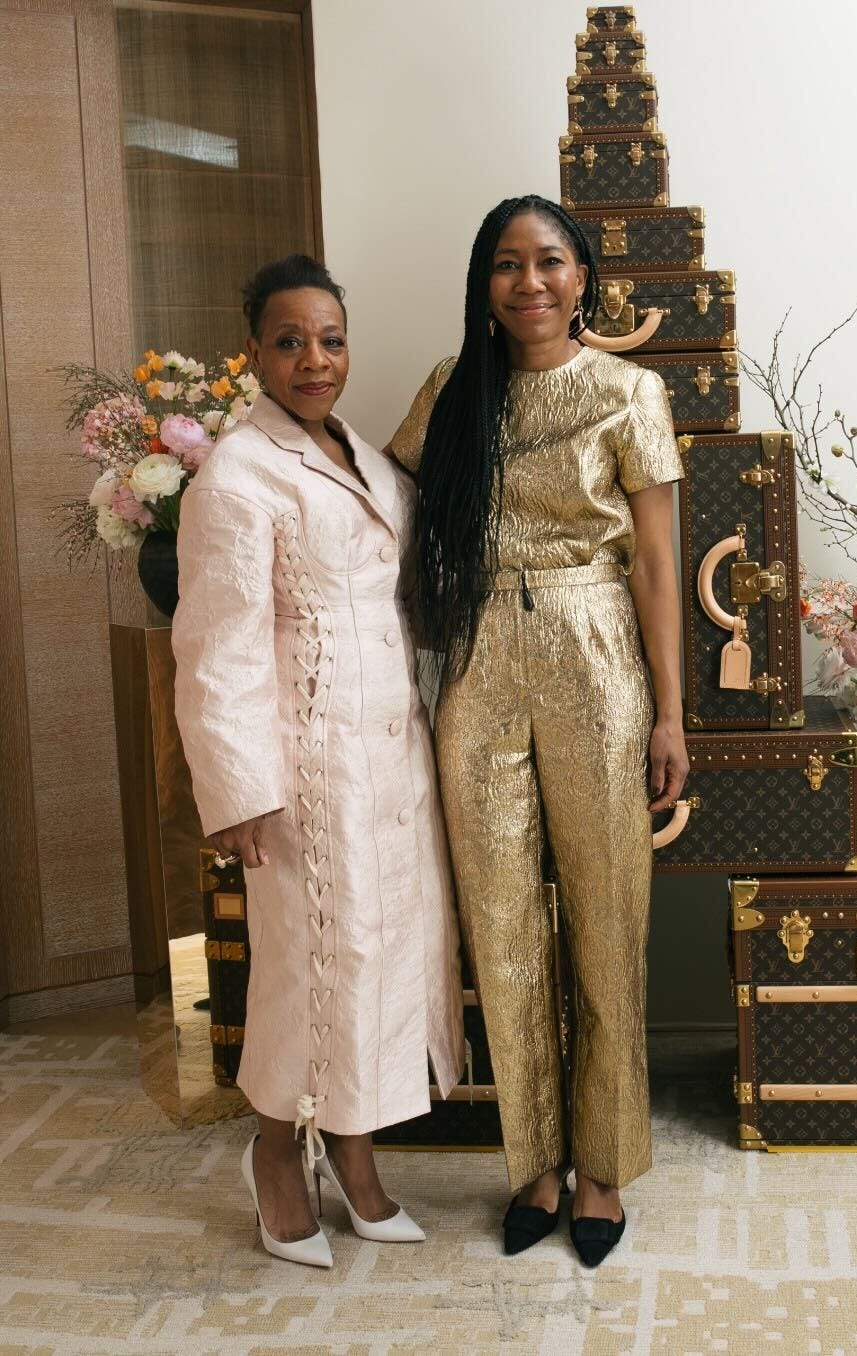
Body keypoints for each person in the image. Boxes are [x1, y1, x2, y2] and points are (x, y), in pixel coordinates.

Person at [387, 195, 688, 1269]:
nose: (529, 284)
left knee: (604, 915)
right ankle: (535, 1162)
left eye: (548, 262)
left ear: (582, 276)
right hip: (475, 656)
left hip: (594, 647)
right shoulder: (451, 391)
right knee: (501, 923)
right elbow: (385, 503)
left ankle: (601, 1165)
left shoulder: (627, 391)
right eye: (507, 265)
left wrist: (669, 711)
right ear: (484, 282)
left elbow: (656, 563)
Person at [172, 254, 464, 1268]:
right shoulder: (236, 476)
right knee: (308, 966)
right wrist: (239, 787)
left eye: (330, 339)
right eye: (289, 339)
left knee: (376, 964)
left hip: (392, 757)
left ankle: (356, 1156)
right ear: (253, 348)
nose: (313, 359)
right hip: (302, 767)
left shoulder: (371, 464)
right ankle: (271, 1155)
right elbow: (217, 642)